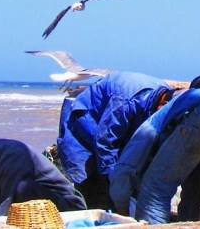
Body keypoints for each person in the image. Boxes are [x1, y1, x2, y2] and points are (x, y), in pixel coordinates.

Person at [109, 74, 200, 224]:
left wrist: (121, 206)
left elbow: (129, 162)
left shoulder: (175, 105)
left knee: (155, 190)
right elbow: (194, 183)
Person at [57, 72, 173, 209]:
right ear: (163, 104)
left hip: (115, 126)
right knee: (92, 185)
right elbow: (104, 142)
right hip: (85, 123)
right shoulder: (124, 102)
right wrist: (115, 181)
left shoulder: (168, 96)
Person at [0, 133, 86, 217]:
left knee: (23, 188)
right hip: (22, 210)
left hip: (67, 209)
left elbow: (8, 206)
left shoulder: (14, 154)